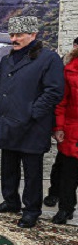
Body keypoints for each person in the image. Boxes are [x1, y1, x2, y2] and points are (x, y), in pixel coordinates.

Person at [0, 16, 64, 228]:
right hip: (8, 123)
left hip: (32, 127)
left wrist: (31, 112)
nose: (14, 38)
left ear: (33, 35)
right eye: (12, 34)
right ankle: (11, 202)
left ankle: (31, 210)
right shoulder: (6, 60)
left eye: (19, 35)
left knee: (32, 173)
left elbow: (54, 91)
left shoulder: (49, 59)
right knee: (8, 168)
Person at [44, 36, 78, 207]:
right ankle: (62, 202)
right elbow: (61, 102)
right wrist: (59, 127)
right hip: (72, 129)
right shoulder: (68, 69)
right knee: (65, 169)